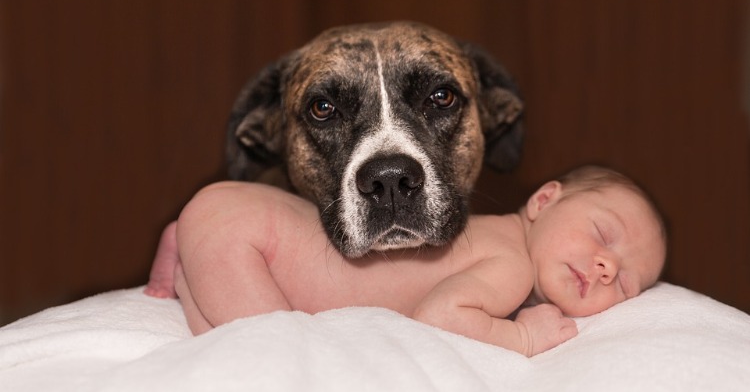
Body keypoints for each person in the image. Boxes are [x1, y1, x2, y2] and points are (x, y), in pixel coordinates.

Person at [145, 165, 667, 357]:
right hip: (250, 243)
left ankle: (190, 245)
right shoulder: (512, 265)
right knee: (273, 347)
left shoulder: (497, 240)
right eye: (602, 234)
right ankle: (197, 242)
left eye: (624, 283)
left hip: (236, 214)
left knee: (225, 304)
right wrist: (523, 339)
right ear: (544, 200)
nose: (604, 267)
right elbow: (440, 318)